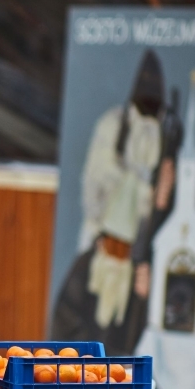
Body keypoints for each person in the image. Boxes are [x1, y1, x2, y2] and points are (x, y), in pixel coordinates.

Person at [52, 50, 181, 355]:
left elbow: (160, 212)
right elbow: (95, 183)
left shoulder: (162, 140)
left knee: (121, 343)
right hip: (101, 249)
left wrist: (164, 193)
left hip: (136, 264)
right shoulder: (112, 127)